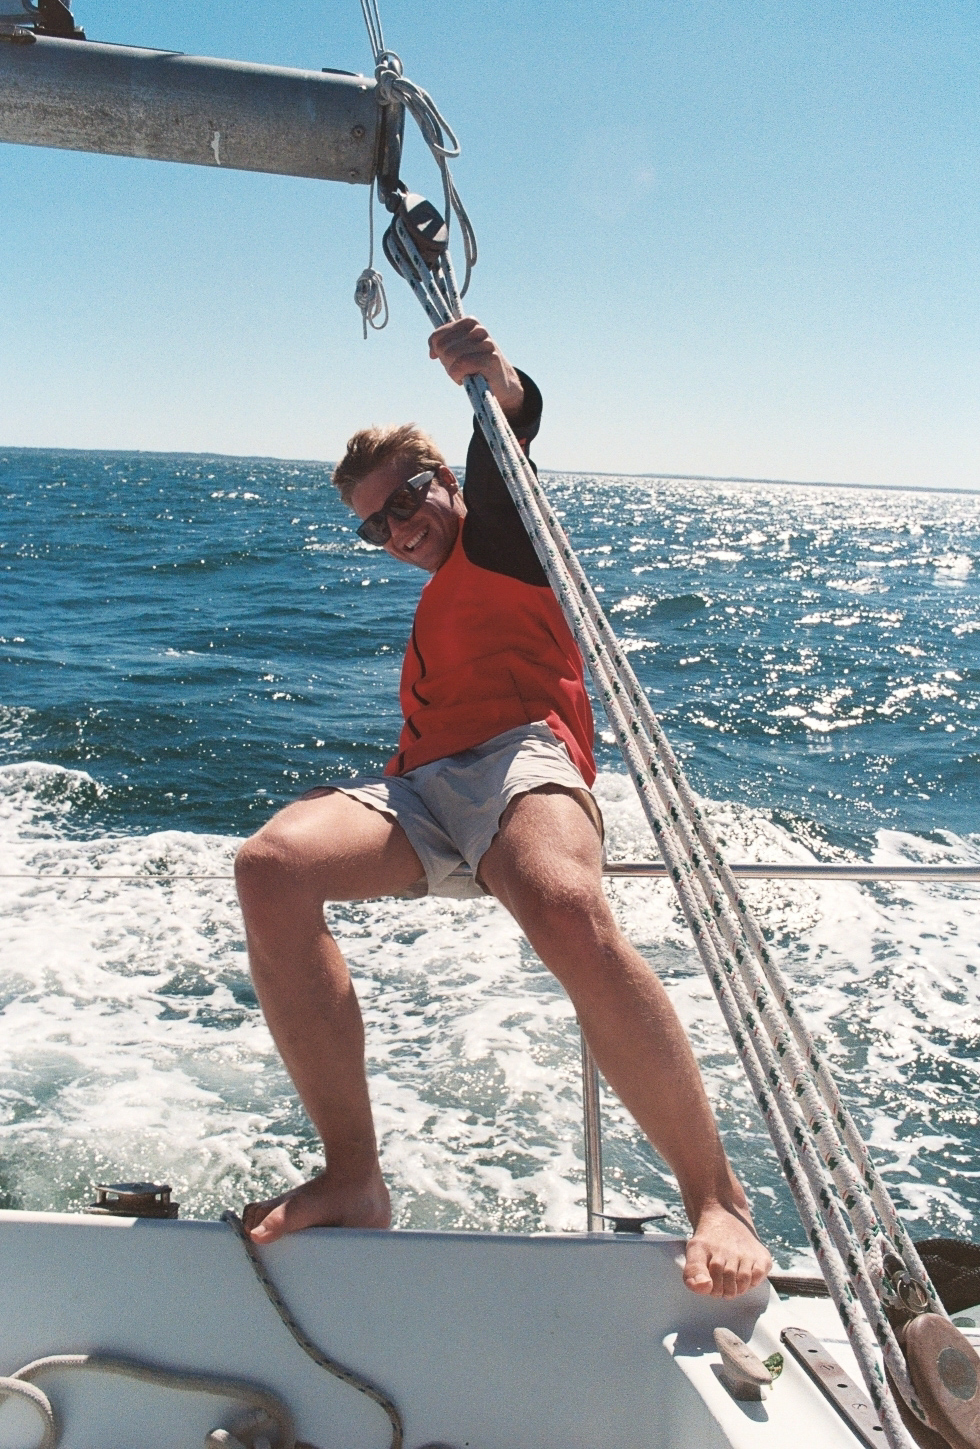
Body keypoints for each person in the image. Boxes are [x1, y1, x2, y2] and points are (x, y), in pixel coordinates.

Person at [234, 317, 773, 1299]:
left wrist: (495, 378)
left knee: (563, 905)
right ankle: (353, 1177)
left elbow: (507, 436)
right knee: (269, 868)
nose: (399, 528)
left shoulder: (503, 538)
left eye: (408, 499)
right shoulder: (435, 600)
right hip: (422, 786)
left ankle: (716, 1194)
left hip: (522, 758)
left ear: (443, 480)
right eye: (375, 525)